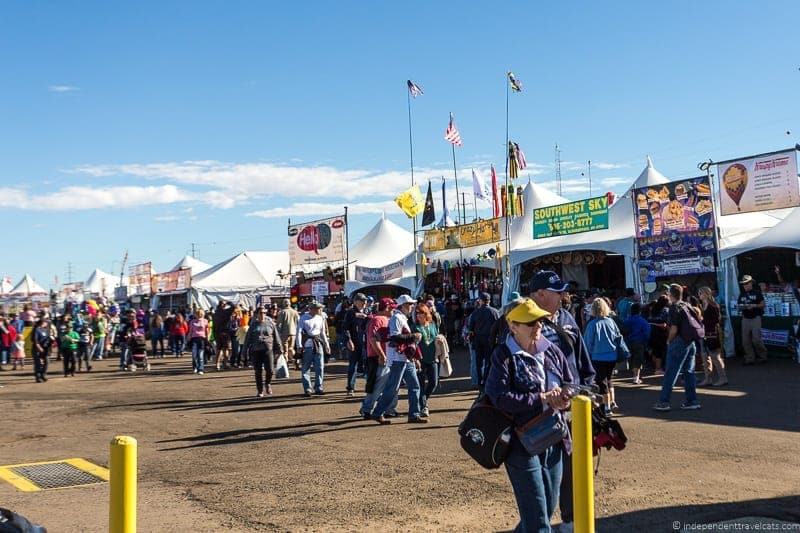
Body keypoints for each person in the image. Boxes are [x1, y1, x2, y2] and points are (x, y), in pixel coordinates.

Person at [485, 298, 574, 533]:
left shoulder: (552, 350)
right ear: (513, 326)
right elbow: (500, 397)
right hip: (519, 441)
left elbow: (571, 382)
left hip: (553, 437)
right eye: (531, 322)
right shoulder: (503, 355)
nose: (538, 326)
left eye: (540, 321)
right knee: (537, 518)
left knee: (546, 508)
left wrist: (565, 396)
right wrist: (542, 398)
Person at [372, 294, 427, 425]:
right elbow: (395, 337)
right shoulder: (397, 318)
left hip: (404, 358)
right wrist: (414, 336)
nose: (412, 307)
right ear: (402, 306)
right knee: (393, 388)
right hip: (398, 358)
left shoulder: (400, 317)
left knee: (414, 386)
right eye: (409, 304)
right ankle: (378, 412)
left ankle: (414, 414)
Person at [653, 284, 702, 411]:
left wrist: (669, 341)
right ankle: (692, 400)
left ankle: (664, 401)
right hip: (690, 341)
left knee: (671, 372)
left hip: (679, 341)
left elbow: (674, 328)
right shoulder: (686, 305)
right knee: (689, 372)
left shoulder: (674, 308)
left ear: (670, 294)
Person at [359, 298, 398, 419]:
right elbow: (372, 340)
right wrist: (382, 355)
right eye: (392, 308)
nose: (394, 310)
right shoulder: (377, 319)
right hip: (378, 357)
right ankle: (366, 409)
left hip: (387, 357)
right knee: (377, 386)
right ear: (386, 307)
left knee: (391, 385)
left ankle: (389, 409)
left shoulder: (387, 319)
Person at [584, 298, 623, 416]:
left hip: (597, 357)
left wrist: (588, 356)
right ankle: (612, 402)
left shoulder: (592, 324)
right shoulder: (611, 321)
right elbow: (618, 337)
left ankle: (607, 407)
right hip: (612, 356)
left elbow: (588, 343)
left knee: (602, 382)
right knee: (609, 379)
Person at [244, 307, 284, 398]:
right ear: (257, 314)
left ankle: (267, 383)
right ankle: (260, 390)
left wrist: (280, 348)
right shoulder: (253, 325)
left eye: (264, 313)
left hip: (268, 350)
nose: (262, 314)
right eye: (260, 313)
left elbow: (276, 337)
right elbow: (247, 340)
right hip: (256, 350)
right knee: (258, 371)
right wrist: (244, 352)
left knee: (270, 370)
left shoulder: (270, 324)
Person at [296, 302, 331, 396]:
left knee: (320, 367)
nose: (319, 310)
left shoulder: (320, 318)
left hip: (318, 344)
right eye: (318, 308)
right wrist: (299, 345)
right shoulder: (303, 318)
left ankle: (318, 387)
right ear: (312, 309)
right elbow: (298, 332)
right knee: (306, 367)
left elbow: (323, 332)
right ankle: (307, 388)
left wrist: (327, 345)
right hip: (307, 345)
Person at [466, 292, 500, 389]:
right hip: (490, 339)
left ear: (480, 301)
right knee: (488, 361)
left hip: (478, 340)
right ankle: (485, 380)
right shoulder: (495, 312)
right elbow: (499, 327)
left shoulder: (475, 313)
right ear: (489, 301)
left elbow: (471, 328)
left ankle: (479, 381)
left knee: (478, 362)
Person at [412, 302, 439, 418]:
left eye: (421, 313)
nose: (418, 315)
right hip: (420, 359)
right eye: (417, 313)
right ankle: (424, 406)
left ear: (426, 313)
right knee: (421, 384)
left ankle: (423, 400)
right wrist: (414, 358)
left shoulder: (433, 324)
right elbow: (413, 344)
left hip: (433, 358)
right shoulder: (415, 327)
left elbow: (436, 337)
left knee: (433, 382)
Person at [698, 286, 727, 386]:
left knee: (715, 356)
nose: (699, 295)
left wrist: (702, 321)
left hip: (713, 333)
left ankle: (723, 378)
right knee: (705, 357)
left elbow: (716, 320)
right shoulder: (702, 305)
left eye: (700, 293)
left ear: (706, 294)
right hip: (704, 333)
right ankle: (708, 378)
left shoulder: (713, 305)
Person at [342, 293, 369, 397]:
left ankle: (369, 387)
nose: (364, 303)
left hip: (366, 342)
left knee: (368, 365)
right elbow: (345, 328)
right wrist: (349, 340)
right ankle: (350, 387)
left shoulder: (368, 311)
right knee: (353, 366)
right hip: (355, 342)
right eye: (362, 300)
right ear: (356, 301)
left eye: (365, 300)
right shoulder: (350, 312)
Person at [737, 274, 768, 365]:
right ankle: (750, 358)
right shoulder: (741, 294)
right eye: (743, 284)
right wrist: (743, 307)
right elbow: (738, 306)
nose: (745, 285)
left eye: (746, 283)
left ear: (751, 283)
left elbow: (763, 304)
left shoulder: (757, 293)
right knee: (745, 340)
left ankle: (763, 356)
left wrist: (754, 306)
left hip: (755, 317)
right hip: (745, 318)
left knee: (756, 339)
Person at [623, 303, 651, 385]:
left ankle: (634, 375)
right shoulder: (643, 321)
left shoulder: (627, 320)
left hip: (628, 342)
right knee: (638, 359)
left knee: (631, 358)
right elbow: (647, 333)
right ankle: (636, 377)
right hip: (639, 342)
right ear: (640, 311)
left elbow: (623, 330)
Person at [276, 299, 299, 371]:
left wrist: (278, 333)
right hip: (293, 333)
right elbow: (298, 322)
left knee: (285, 350)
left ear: (283, 304)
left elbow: (279, 324)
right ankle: (295, 361)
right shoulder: (295, 312)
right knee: (291, 348)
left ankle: (286, 365)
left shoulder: (282, 312)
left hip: (284, 333)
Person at [188, 309, 209, 375]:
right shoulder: (192, 321)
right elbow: (190, 331)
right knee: (194, 355)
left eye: (201, 313)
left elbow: (207, 331)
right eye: (198, 313)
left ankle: (201, 369)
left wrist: (207, 339)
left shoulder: (205, 321)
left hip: (202, 339)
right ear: (196, 314)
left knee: (200, 355)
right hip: (194, 339)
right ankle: (195, 367)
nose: (199, 315)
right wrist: (188, 338)